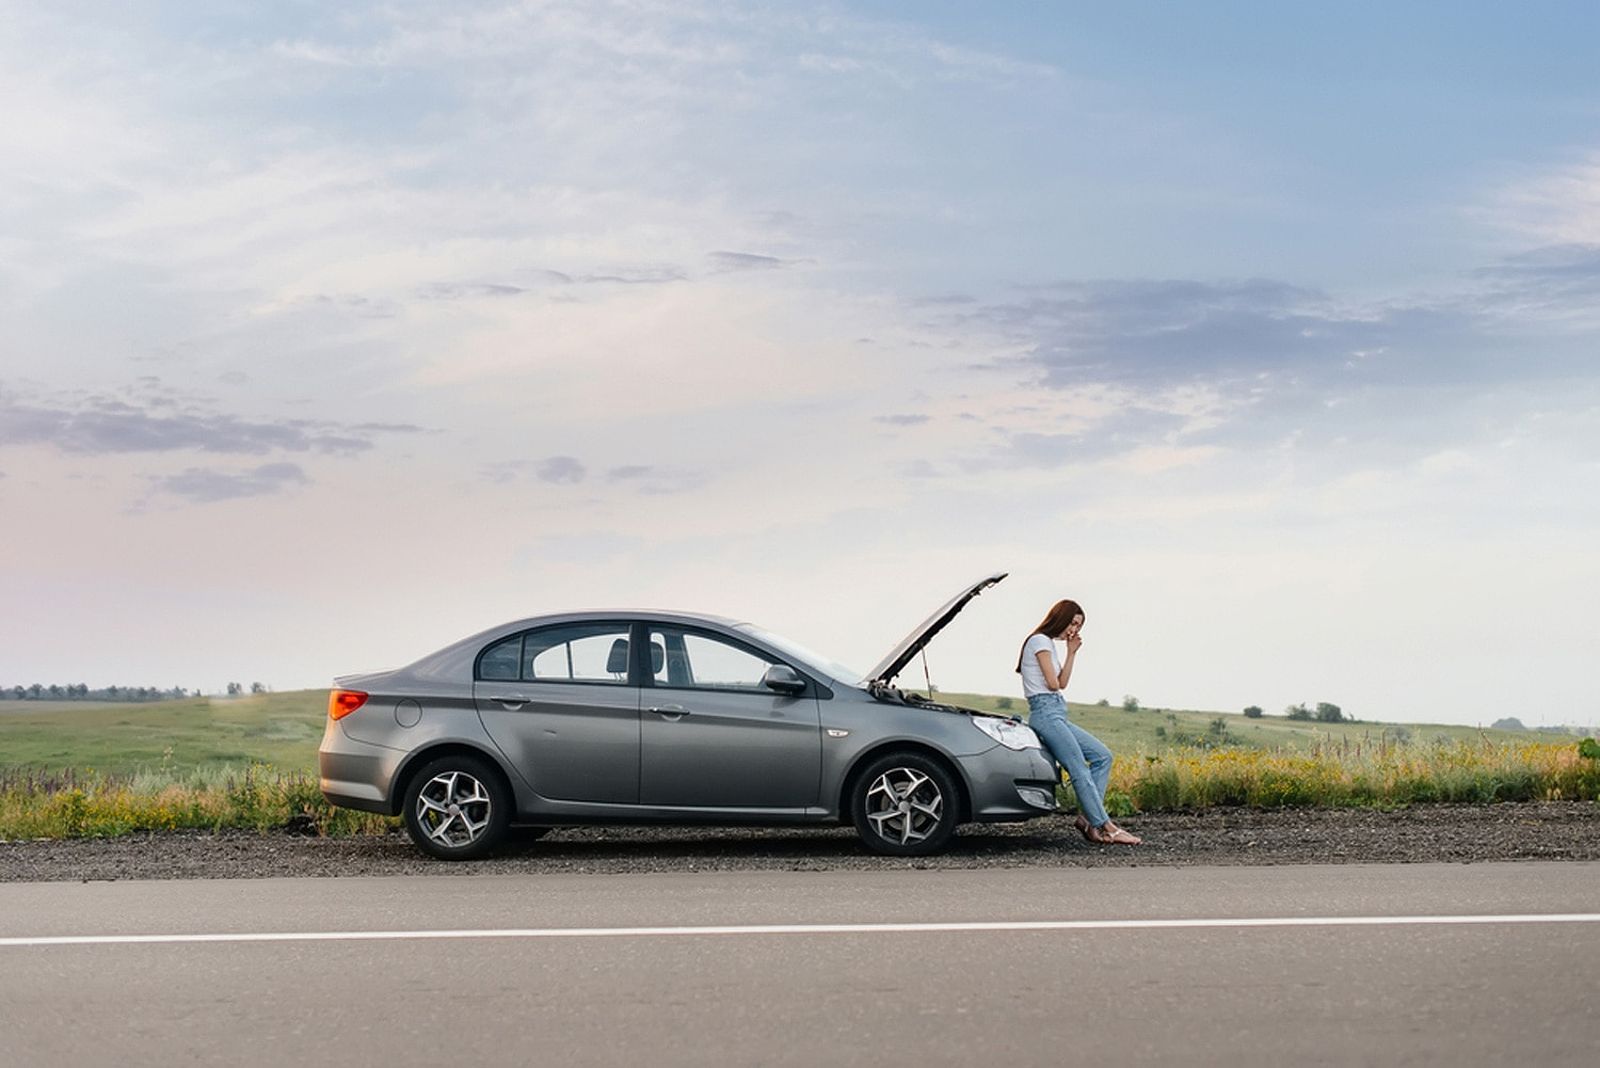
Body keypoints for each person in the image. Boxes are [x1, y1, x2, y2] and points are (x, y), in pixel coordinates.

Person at [1018, 599, 1141, 845]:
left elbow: (1062, 683)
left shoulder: (1050, 644)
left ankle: (1087, 820)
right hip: (1045, 713)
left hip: (1057, 713)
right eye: (1072, 623)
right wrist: (1062, 661)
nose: (1074, 630)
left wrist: (1071, 652)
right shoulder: (1039, 640)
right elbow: (1053, 684)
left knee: (1102, 756)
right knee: (1078, 768)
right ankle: (1107, 826)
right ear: (1060, 617)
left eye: (1078, 626)